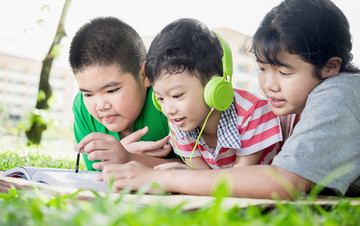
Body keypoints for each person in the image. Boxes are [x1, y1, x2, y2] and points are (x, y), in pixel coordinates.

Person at [100, 0, 360, 199]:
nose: (269, 85)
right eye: (262, 69)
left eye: (284, 72)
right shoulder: (296, 104)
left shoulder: (340, 94)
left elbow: (284, 182)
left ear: (330, 67)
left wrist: (166, 181)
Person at [144, 18, 282, 170]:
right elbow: (205, 178)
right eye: (160, 98)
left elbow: (240, 179)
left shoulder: (253, 111)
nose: (169, 110)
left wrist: (187, 178)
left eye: (177, 95)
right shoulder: (178, 124)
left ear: (213, 87)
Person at [69, 17, 179, 171]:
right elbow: (98, 175)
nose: (100, 106)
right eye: (88, 94)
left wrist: (129, 158)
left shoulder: (168, 100)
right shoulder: (82, 108)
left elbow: (204, 171)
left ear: (145, 75)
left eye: (112, 90)